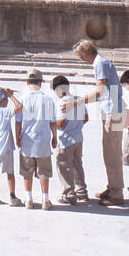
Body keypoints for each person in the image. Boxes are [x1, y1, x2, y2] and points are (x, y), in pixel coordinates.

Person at [75, 39, 126, 205]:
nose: (81, 59)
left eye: (81, 55)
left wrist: (78, 102)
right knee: (111, 152)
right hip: (114, 110)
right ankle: (113, 187)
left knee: (112, 153)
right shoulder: (101, 62)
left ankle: (117, 193)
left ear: (86, 53)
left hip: (114, 112)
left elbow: (100, 91)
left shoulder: (100, 64)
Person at [14, 69, 58, 210]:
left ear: (27, 82)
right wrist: (54, 137)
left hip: (27, 140)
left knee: (27, 170)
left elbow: (18, 122)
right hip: (43, 140)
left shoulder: (22, 99)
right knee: (44, 171)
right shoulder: (48, 99)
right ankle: (45, 200)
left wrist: (17, 137)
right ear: (41, 82)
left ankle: (29, 199)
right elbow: (52, 122)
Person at [51, 74, 89, 205]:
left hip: (66, 139)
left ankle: (69, 192)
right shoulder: (78, 100)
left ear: (58, 89)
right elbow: (85, 118)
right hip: (78, 137)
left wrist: (52, 124)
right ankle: (81, 191)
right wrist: (76, 125)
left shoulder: (62, 102)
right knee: (77, 164)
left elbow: (60, 122)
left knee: (64, 165)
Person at [0, 84, 24, 206]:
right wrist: (11, 95)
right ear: (2, 101)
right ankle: (12, 196)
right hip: (5, 147)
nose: (7, 101)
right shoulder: (5, 112)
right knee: (10, 172)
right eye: (6, 99)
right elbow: (19, 106)